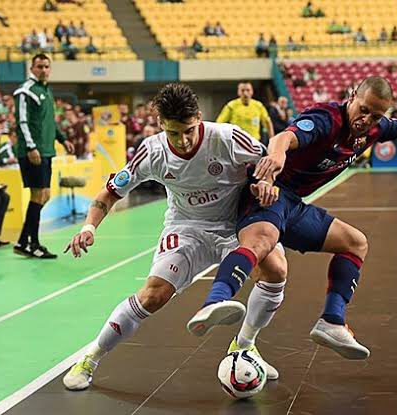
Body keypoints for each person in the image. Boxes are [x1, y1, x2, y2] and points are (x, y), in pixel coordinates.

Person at [188, 76, 397, 360]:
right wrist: (275, 156)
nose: (366, 119)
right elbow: (284, 137)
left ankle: (332, 321)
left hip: (294, 204)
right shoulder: (326, 119)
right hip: (266, 192)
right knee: (263, 241)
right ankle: (214, 303)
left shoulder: (373, 130)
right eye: (363, 109)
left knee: (355, 243)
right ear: (352, 97)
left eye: (376, 115)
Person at [61, 83, 287, 390]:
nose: (182, 141)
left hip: (236, 224)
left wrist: (267, 181)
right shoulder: (152, 152)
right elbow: (109, 193)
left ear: (199, 117)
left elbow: (271, 162)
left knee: (275, 269)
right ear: (160, 126)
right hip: (186, 227)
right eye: (173, 133)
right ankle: (91, 358)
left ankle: (244, 347)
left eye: (188, 130)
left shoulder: (227, 138)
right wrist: (89, 227)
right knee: (154, 295)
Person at [12, 54, 74, 259]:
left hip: (46, 150)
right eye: (40, 66)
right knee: (39, 195)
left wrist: (63, 139)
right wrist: (31, 147)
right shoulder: (25, 91)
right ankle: (33, 243)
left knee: (43, 195)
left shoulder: (46, 91)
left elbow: (51, 122)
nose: (44, 70)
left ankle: (23, 241)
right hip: (33, 152)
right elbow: (22, 122)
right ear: (32, 67)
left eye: (47, 66)